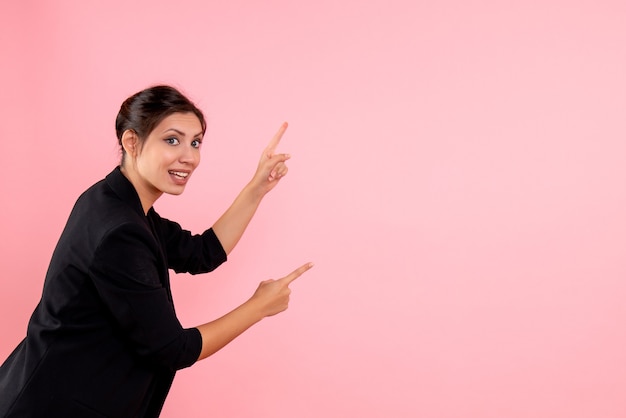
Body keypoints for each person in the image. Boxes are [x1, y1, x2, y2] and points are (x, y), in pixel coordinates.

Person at [0, 85, 313, 417]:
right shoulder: (120, 231)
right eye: (172, 140)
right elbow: (172, 349)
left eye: (195, 142)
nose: (189, 157)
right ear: (131, 142)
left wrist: (257, 187)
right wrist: (258, 307)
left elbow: (201, 252)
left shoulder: (119, 203)